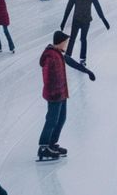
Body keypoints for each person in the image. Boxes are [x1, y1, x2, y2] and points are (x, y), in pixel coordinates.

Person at [37, 31, 95, 161]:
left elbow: (72, 62)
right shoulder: (50, 56)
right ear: (60, 42)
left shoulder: (59, 54)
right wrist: (52, 91)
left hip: (62, 93)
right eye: (65, 42)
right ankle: (43, 147)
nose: (66, 44)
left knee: (61, 119)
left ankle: (51, 144)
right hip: (54, 94)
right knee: (52, 120)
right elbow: (46, 77)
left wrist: (87, 71)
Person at [60, 0, 110, 64]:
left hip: (86, 21)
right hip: (76, 20)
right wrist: (64, 21)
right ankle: (68, 56)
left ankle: (82, 59)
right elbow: (68, 8)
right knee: (72, 38)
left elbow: (97, 7)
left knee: (83, 39)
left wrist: (103, 19)